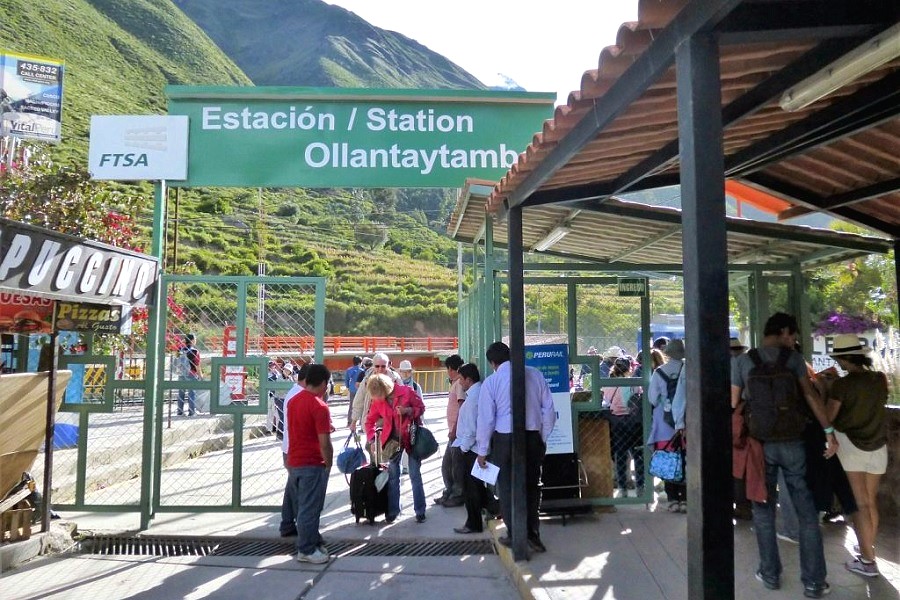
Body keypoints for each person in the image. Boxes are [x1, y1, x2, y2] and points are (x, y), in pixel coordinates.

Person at [731, 312, 837, 599]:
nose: (794, 340)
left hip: (759, 444)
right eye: (792, 335)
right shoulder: (793, 360)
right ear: (783, 331)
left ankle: (770, 575)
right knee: (806, 513)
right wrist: (828, 430)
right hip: (793, 442)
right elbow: (811, 397)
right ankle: (814, 582)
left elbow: (732, 400)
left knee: (763, 512)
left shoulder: (744, 361)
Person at [476, 342, 557, 554]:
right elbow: (548, 410)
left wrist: (482, 451)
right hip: (531, 437)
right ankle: (532, 534)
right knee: (532, 485)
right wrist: (541, 436)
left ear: (493, 363)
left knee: (507, 487)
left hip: (504, 439)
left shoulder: (492, 382)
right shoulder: (535, 375)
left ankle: (515, 534)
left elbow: (486, 420)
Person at [823, 333, 888, 578]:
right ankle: (866, 550)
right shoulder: (879, 379)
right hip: (878, 446)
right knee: (870, 502)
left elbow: (828, 417)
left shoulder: (842, 384)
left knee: (859, 505)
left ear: (843, 358)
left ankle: (868, 561)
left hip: (851, 446)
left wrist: (825, 387)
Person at [284, 363, 333, 564]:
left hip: (294, 460)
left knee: (302, 506)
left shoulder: (293, 401)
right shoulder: (319, 406)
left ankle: (312, 541)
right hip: (312, 463)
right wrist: (328, 463)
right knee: (310, 508)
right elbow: (325, 442)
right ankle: (306, 550)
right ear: (323, 383)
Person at [363, 372, 427, 523]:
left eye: (379, 395)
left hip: (411, 437)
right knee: (393, 477)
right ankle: (393, 511)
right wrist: (372, 439)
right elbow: (369, 421)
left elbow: (421, 408)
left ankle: (420, 510)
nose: (378, 399)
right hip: (391, 441)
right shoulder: (378, 401)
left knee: (414, 474)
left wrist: (408, 411)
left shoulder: (406, 392)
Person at [452, 363, 499, 534]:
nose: (459, 383)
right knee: (477, 486)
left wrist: (463, 448)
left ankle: (473, 523)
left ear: (468, 380)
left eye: (461, 380)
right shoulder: (478, 393)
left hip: (471, 450)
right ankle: (494, 507)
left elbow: (472, 429)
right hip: (477, 448)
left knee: (470, 489)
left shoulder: (473, 399)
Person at [647, 339, 685, 511]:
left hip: (664, 422)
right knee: (685, 458)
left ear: (668, 353)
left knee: (668, 459)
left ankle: (672, 499)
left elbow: (652, 399)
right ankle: (685, 498)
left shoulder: (659, 372)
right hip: (686, 422)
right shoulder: (688, 369)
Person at [603, 356, 645, 498]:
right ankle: (641, 486)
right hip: (634, 422)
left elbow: (606, 401)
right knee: (638, 455)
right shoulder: (634, 382)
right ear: (629, 368)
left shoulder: (609, 384)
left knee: (620, 455)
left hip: (617, 422)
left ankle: (622, 488)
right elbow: (638, 399)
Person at [279, 362, 309, 537]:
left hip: (290, 448)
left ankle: (287, 524)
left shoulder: (295, 393)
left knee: (292, 488)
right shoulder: (298, 396)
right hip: (295, 450)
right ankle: (301, 528)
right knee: (300, 491)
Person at [434, 354, 466, 507]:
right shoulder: (456, 383)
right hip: (454, 431)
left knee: (451, 466)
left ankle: (457, 495)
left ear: (451, 369)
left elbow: (462, 407)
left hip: (457, 432)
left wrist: (454, 430)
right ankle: (450, 493)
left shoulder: (459, 384)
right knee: (450, 465)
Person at [348, 353, 401, 431]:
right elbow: (359, 399)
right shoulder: (367, 379)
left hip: (391, 420)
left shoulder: (395, 379)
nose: (380, 369)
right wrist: (354, 421)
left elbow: (403, 397)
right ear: (373, 365)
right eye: (377, 366)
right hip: (372, 420)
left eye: (383, 366)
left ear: (388, 365)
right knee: (371, 441)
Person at [397, 359, 423, 475]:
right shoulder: (395, 385)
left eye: (408, 372)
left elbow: (421, 403)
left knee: (410, 444)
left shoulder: (416, 387)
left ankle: (407, 466)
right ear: (400, 372)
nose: (406, 374)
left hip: (412, 420)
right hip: (397, 421)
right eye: (404, 372)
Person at [177, 334, 201, 416]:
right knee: (192, 393)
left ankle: (179, 411)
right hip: (191, 374)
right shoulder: (195, 351)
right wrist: (200, 376)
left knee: (181, 393)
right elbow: (197, 365)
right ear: (192, 340)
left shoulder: (180, 350)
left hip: (181, 374)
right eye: (195, 339)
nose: (195, 341)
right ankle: (191, 412)